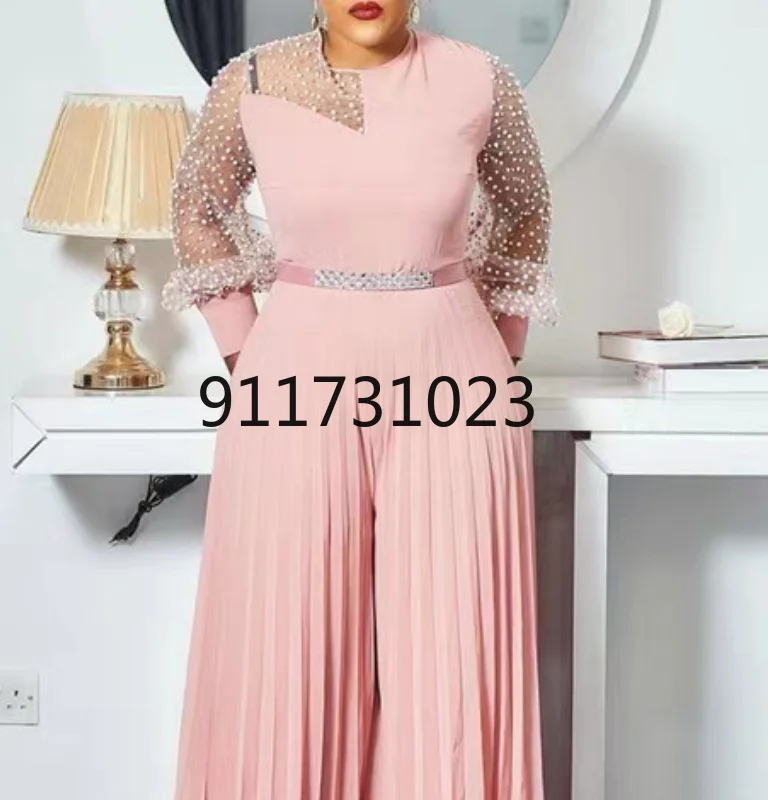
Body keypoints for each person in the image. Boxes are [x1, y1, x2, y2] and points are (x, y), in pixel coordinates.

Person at [161, 0, 559, 797]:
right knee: (289, 637)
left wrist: (499, 346)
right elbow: (197, 207)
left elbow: (525, 209)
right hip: (293, 375)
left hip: (456, 380)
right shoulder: (254, 79)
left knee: (455, 642)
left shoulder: (479, 80)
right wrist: (243, 349)